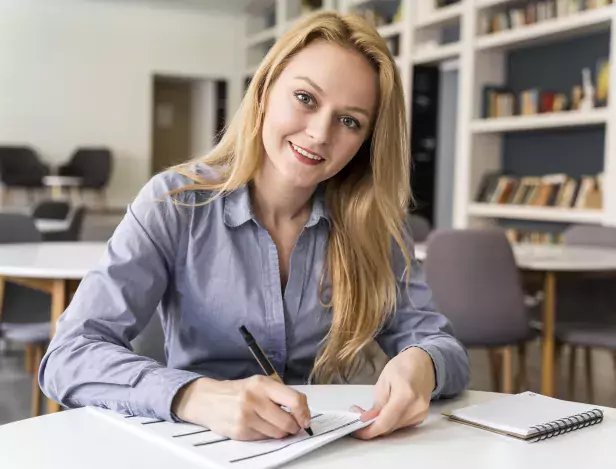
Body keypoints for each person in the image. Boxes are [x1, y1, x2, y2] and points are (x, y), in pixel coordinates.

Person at [39, 11, 469, 441]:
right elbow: (67, 356)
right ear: (264, 89)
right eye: (305, 98)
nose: (320, 133)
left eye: (349, 121)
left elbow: (441, 345)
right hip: (199, 447)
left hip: (328, 449)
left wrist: (423, 364)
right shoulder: (174, 203)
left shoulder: (375, 224)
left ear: (365, 144)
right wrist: (194, 396)